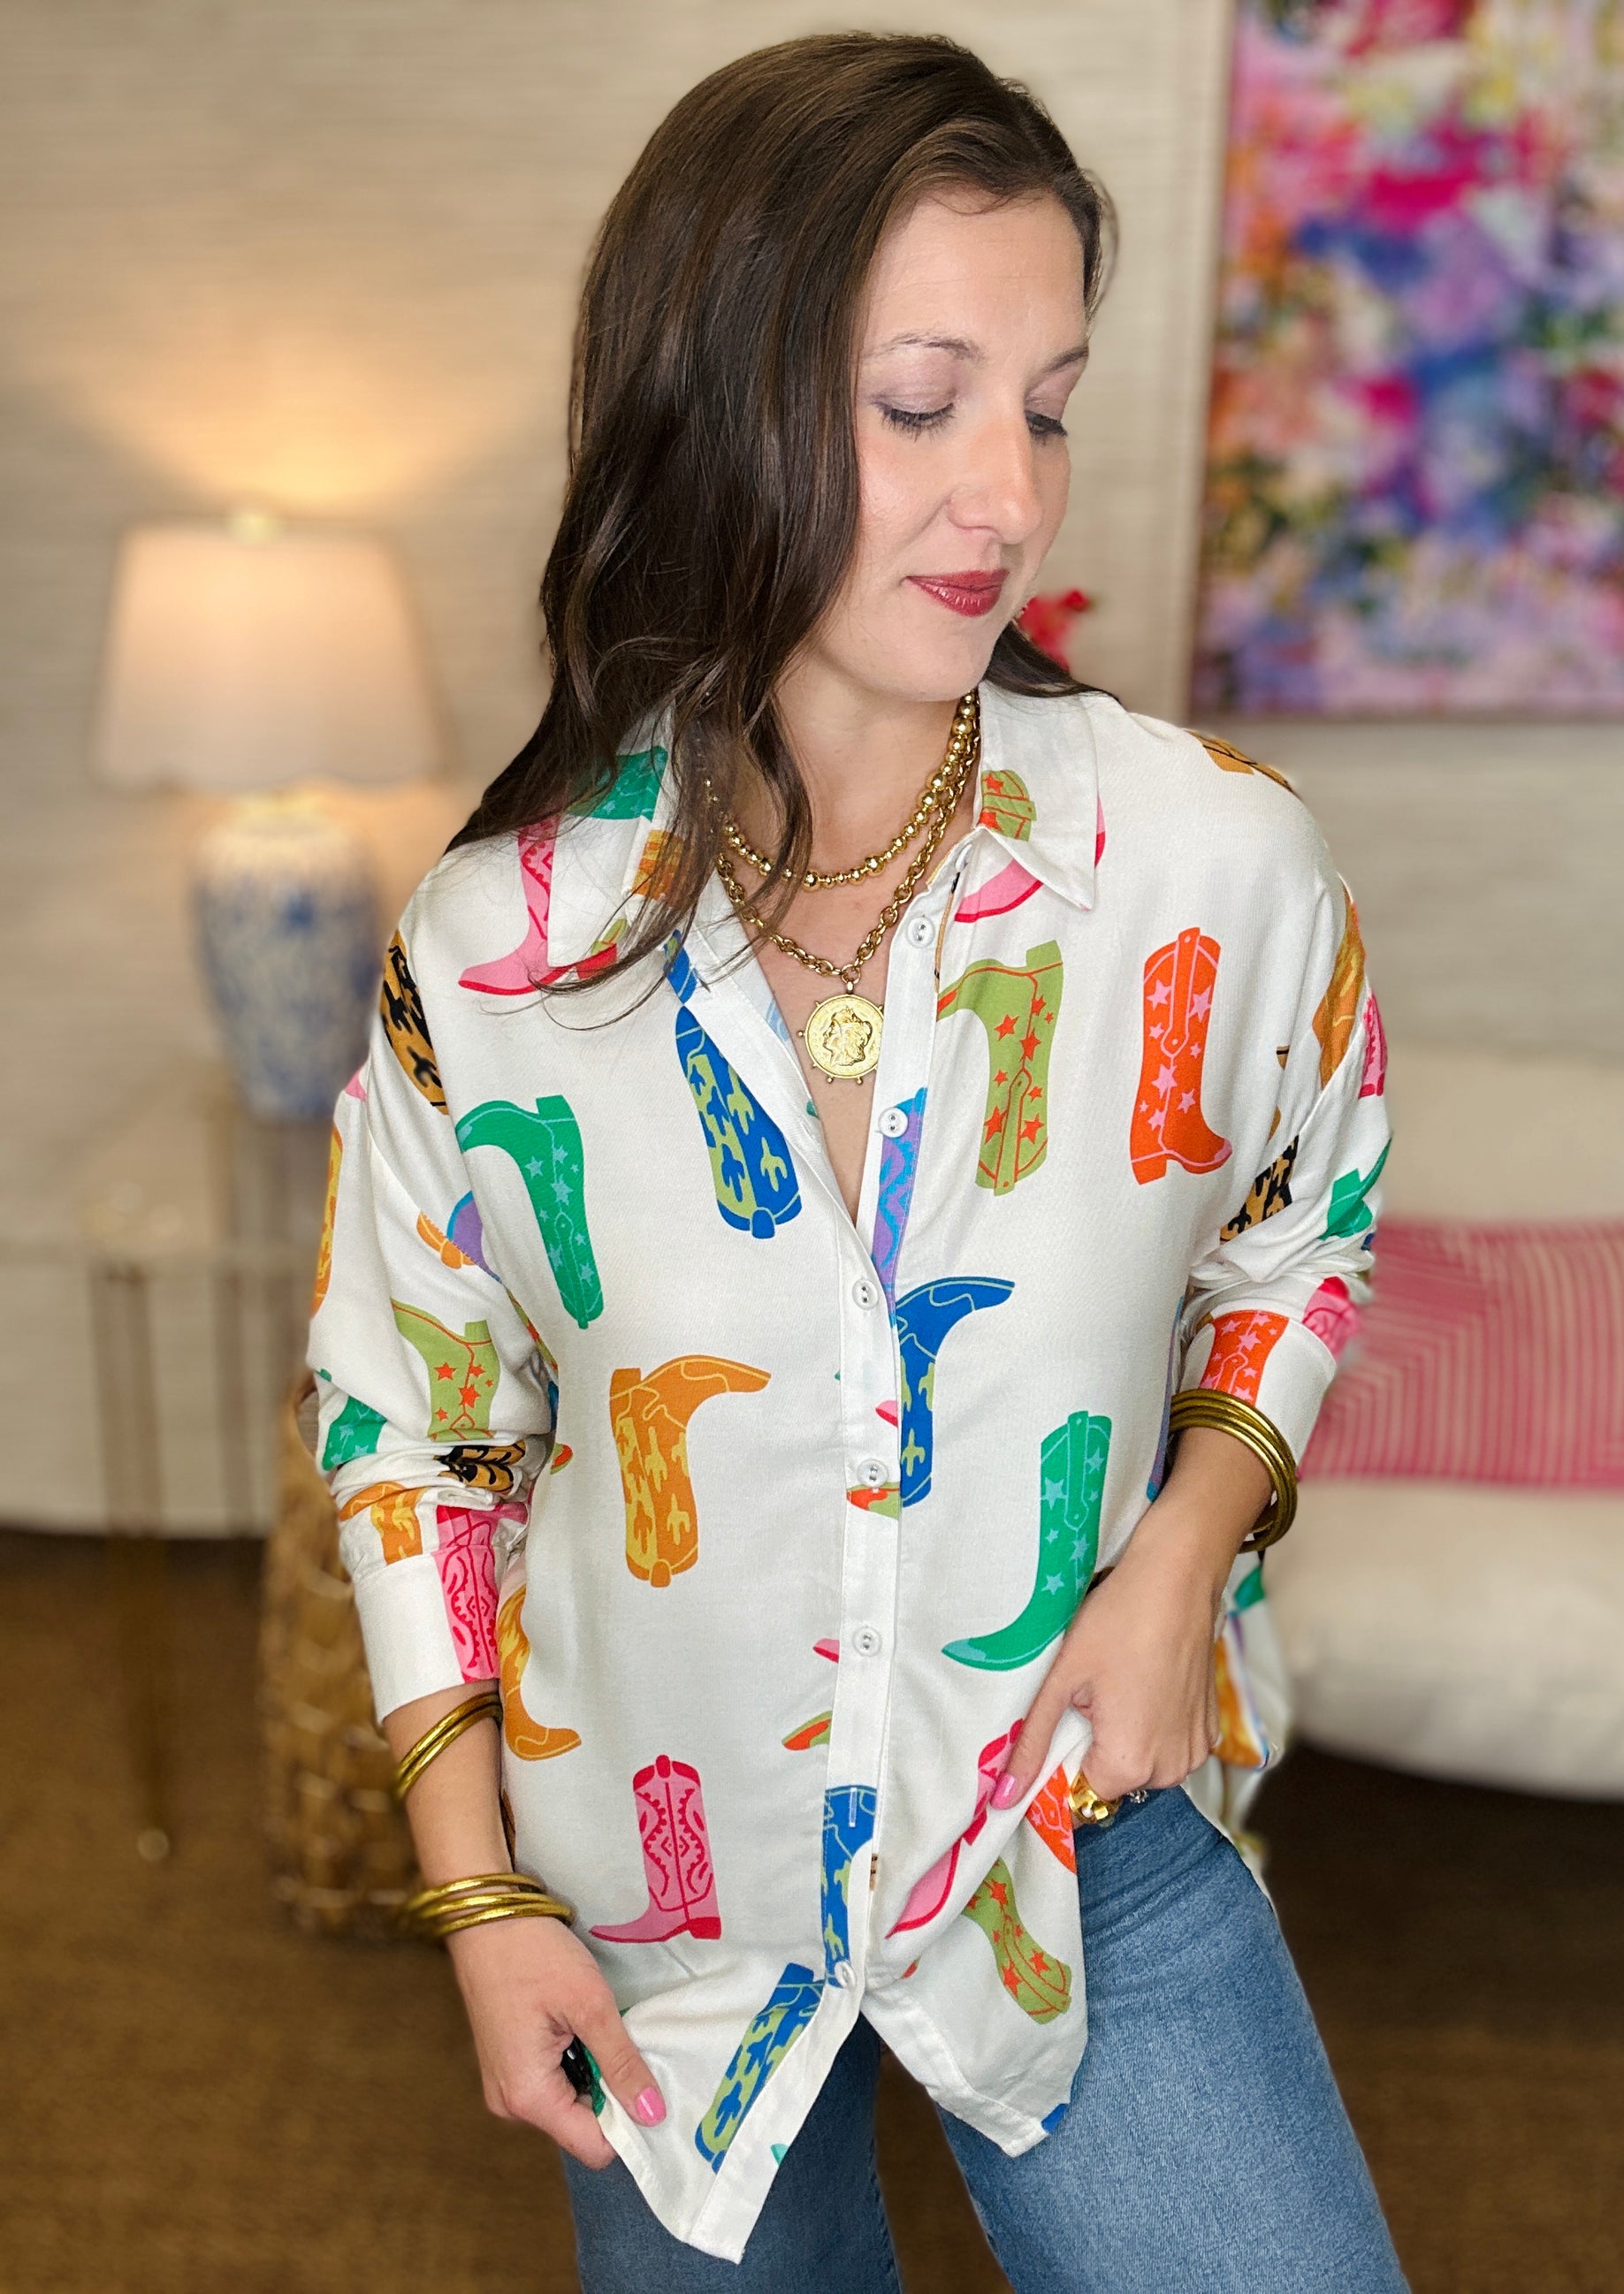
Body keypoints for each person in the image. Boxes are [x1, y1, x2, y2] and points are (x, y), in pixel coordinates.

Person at [309, 32, 1405, 2293]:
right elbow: (416, 1426)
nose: (1003, 490)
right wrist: (480, 1892)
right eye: (921, 402)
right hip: (661, 1892)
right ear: (714, 399)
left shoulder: (1207, 859)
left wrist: (1186, 1551)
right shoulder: (495, 947)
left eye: (1046, 400)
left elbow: (1313, 1211)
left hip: (1080, 1827)